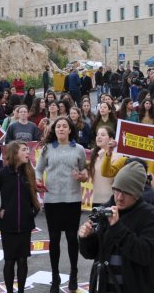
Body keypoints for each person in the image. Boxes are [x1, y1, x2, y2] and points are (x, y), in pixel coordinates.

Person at [78, 161, 154, 292]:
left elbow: (145, 255)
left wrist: (117, 227)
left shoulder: (151, 216)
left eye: (126, 193)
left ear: (137, 194)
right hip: (104, 287)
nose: (119, 197)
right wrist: (87, 238)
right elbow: (91, 254)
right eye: (117, 190)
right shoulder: (107, 209)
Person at [35, 117, 87, 292]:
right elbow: (38, 169)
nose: (61, 129)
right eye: (58, 126)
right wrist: (38, 180)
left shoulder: (79, 149)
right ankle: (55, 277)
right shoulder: (47, 148)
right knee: (54, 239)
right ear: (54, 130)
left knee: (72, 238)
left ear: (70, 130)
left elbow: (85, 171)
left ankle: (73, 273)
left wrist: (82, 176)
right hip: (52, 200)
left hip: (72, 199)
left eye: (65, 126)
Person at [0, 141, 39, 293]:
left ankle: (21, 290)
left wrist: (33, 211)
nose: (27, 152)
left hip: (25, 224)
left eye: (27, 150)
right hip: (8, 225)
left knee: (23, 260)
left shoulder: (29, 172)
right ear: (14, 153)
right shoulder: (1, 174)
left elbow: (33, 197)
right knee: (10, 261)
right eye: (24, 150)